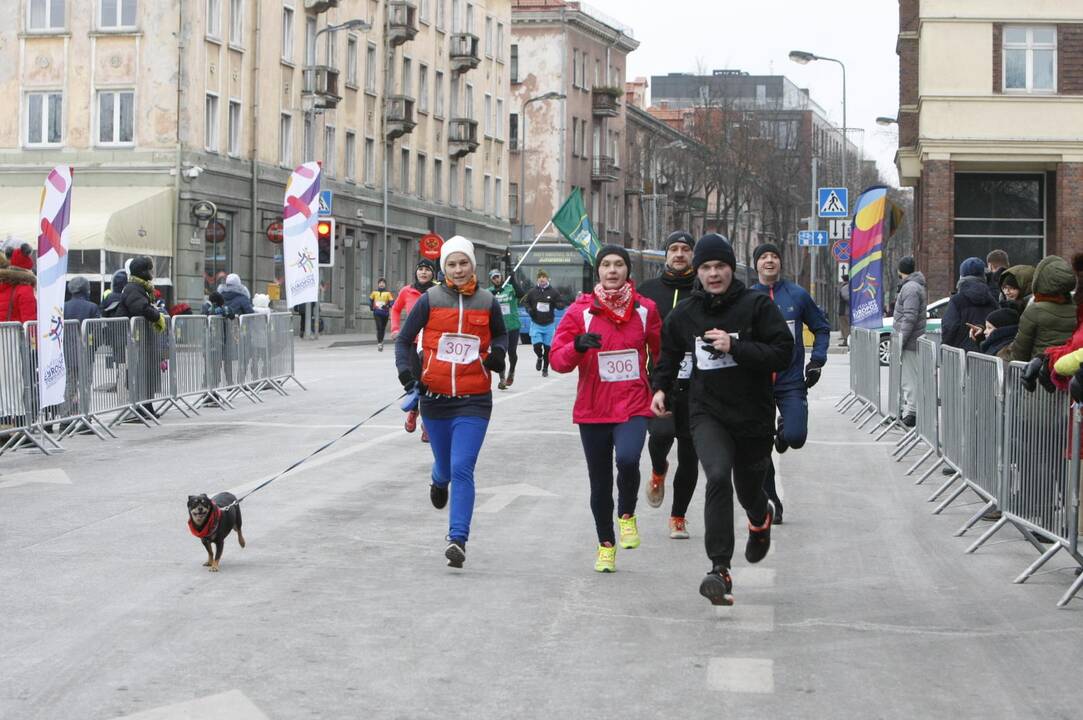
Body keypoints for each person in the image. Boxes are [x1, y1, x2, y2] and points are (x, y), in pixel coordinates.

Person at [650, 233, 793, 606]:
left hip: (751, 416)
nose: (714, 274)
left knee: (748, 489)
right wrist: (660, 389)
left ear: (732, 268)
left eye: (720, 267)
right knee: (715, 476)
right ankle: (719, 569)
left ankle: (759, 520)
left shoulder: (756, 306)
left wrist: (738, 347)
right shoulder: (687, 313)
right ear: (698, 271)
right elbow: (668, 355)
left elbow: (783, 353)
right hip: (706, 411)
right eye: (707, 268)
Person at [394, 235, 507, 568]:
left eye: (464, 263)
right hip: (436, 399)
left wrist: (498, 355)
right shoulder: (429, 300)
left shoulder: (488, 301)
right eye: (452, 264)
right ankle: (437, 479)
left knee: (462, 467)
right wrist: (406, 375)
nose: (458, 270)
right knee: (445, 467)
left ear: (474, 265)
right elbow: (403, 342)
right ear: (444, 267)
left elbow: (500, 335)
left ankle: (457, 538)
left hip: (474, 400)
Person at [551, 245, 661, 572]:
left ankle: (627, 513)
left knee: (628, 459)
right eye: (606, 265)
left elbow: (661, 352)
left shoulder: (645, 310)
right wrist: (576, 346)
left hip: (633, 403)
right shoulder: (580, 312)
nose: (612, 270)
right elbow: (558, 360)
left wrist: (661, 387)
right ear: (597, 272)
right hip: (593, 408)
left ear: (627, 271)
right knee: (599, 483)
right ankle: (606, 545)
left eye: (618, 265)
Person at [750, 242, 831, 525]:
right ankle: (772, 499)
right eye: (764, 257)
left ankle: (784, 432)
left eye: (774, 256)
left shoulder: (796, 295)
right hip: (756, 384)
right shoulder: (747, 298)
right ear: (756, 264)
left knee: (796, 437)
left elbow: (821, 327)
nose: (769, 261)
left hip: (791, 381)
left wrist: (817, 360)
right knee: (759, 450)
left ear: (780, 263)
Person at [637, 231, 699, 538]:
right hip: (660, 381)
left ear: (692, 255)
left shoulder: (702, 290)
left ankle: (678, 516)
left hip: (698, 386)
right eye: (673, 249)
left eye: (685, 249)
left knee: (690, 455)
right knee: (660, 436)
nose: (679, 254)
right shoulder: (649, 292)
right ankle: (658, 469)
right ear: (665, 255)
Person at [391, 258, 438, 441]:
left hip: (431, 343)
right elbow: (395, 310)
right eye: (421, 269)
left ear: (433, 273)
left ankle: (427, 424)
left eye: (427, 270)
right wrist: (396, 329)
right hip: (412, 342)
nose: (424, 272)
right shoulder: (407, 291)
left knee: (430, 382)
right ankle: (413, 410)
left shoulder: (438, 292)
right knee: (415, 380)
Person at [118, 256, 167, 416]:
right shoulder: (133, 288)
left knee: (147, 374)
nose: (151, 272)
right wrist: (156, 316)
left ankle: (147, 406)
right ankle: (140, 408)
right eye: (149, 269)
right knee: (140, 374)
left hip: (143, 341)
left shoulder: (141, 287)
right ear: (142, 271)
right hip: (136, 341)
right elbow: (140, 307)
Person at [894, 256, 927, 428]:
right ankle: (907, 411)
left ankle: (912, 412)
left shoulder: (910, 288)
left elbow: (909, 317)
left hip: (910, 341)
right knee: (907, 378)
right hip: (912, 340)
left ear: (900, 270)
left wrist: (901, 340)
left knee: (909, 379)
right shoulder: (913, 287)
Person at [941, 257, 999, 353]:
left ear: (962, 276)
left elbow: (949, 327)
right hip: (986, 355)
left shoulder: (957, 300)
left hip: (960, 355)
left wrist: (945, 348)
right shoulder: (992, 300)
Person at [487, 259, 523, 390]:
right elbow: (484, 301)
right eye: (494, 278)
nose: (496, 279)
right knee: (500, 352)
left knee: (512, 352)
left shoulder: (509, 288)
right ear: (491, 280)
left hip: (512, 325)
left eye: (498, 276)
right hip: (498, 328)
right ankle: (502, 378)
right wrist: (493, 294)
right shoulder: (489, 291)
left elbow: (521, 294)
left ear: (502, 277)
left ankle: (511, 371)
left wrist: (513, 280)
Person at [523, 270, 563, 377]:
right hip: (536, 323)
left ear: (547, 279)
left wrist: (559, 305)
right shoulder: (532, 292)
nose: (542, 279)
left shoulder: (553, 292)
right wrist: (529, 309)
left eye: (544, 277)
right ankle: (539, 357)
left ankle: (545, 369)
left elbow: (560, 303)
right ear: (537, 279)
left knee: (548, 349)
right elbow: (526, 302)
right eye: (540, 277)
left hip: (549, 324)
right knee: (537, 346)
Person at [0, 251, 36, 322]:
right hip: (14, 332)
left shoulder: (22, 289)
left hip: (11, 332)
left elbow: (30, 325)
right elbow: (30, 325)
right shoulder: (24, 289)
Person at [369, 278, 394, 351]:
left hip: (385, 314)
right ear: (378, 284)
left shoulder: (388, 293)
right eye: (380, 283)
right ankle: (379, 343)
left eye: (383, 283)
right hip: (377, 313)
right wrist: (371, 306)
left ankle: (381, 341)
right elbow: (370, 300)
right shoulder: (374, 292)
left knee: (382, 328)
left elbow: (392, 302)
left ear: (385, 285)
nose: (381, 284)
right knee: (379, 327)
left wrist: (387, 306)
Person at [838, 272, 851, 347]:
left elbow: (846, 297)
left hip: (844, 311)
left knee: (845, 326)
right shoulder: (848, 287)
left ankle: (846, 341)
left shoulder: (845, 287)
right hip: (846, 311)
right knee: (846, 326)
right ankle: (847, 340)